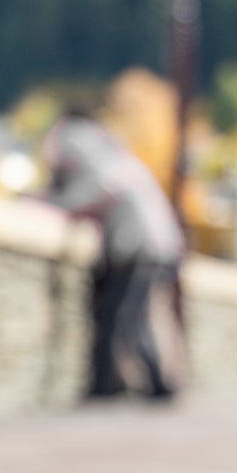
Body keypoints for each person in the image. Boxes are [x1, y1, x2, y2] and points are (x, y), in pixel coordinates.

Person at [42, 113, 186, 400]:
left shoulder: (77, 144)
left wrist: (50, 203)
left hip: (134, 246)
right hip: (156, 244)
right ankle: (156, 385)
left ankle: (111, 385)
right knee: (135, 315)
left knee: (119, 317)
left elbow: (94, 192)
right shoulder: (112, 150)